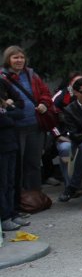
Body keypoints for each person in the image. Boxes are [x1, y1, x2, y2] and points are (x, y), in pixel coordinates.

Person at [2, 46, 58, 207]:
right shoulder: (3, 77)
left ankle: (35, 198)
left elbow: (46, 93)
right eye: (15, 58)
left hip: (34, 125)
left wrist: (44, 104)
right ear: (8, 60)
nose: (19, 60)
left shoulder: (32, 75)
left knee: (33, 163)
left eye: (21, 57)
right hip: (14, 128)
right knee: (16, 167)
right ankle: (16, 202)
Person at [0, 77, 29, 234]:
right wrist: (9, 112)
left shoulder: (3, 83)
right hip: (2, 146)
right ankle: (4, 217)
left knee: (11, 181)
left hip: (11, 142)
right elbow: (8, 118)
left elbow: (20, 111)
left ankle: (12, 212)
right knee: (2, 183)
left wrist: (8, 112)